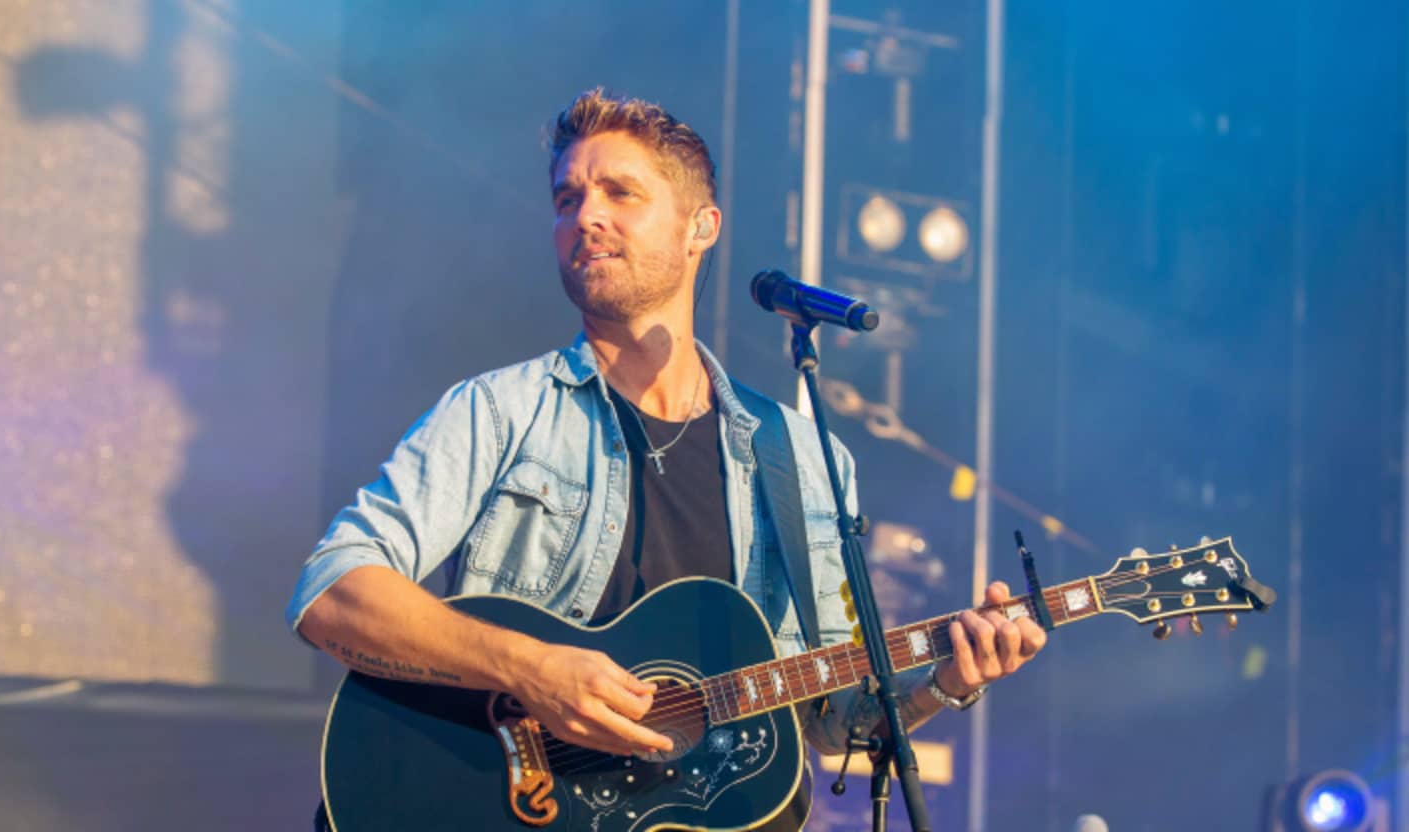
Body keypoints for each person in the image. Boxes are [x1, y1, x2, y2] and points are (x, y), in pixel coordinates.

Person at [287, 87, 1044, 799]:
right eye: (567, 199)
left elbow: (834, 720)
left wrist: (948, 680)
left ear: (699, 229)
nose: (586, 216)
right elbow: (331, 592)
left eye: (620, 192)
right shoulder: (498, 412)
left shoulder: (805, 459)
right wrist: (529, 667)